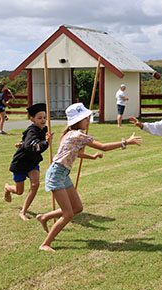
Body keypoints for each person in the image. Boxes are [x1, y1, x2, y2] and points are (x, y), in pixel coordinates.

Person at [36, 103, 143, 252]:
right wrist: (126, 142)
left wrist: (91, 157)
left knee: (78, 208)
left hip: (63, 173)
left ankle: (44, 217)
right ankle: (45, 244)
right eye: (85, 118)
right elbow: (103, 146)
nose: (88, 121)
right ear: (77, 121)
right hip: (56, 175)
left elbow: (75, 153)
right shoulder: (77, 135)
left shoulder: (70, 134)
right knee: (68, 214)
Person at [4, 103, 53, 221]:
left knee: (35, 184)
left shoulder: (45, 129)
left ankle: (23, 211)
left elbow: (26, 141)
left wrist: (21, 143)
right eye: (39, 118)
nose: (43, 120)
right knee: (19, 191)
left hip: (32, 162)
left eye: (44, 117)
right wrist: (45, 143)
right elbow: (33, 146)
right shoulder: (32, 130)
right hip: (21, 163)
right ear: (32, 119)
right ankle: (7, 188)